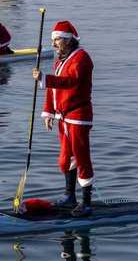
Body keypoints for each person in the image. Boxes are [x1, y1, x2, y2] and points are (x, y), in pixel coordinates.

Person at [33, 20, 94, 216]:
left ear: (68, 40)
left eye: (57, 39)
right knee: (65, 158)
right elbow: (53, 90)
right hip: (63, 117)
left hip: (78, 116)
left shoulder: (82, 58)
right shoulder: (61, 60)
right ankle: (70, 195)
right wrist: (49, 112)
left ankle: (86, 200)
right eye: (52, 40)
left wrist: (44, 78)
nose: (54, 44)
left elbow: (70, 82)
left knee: (81, 157)